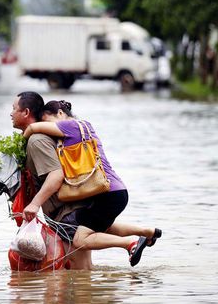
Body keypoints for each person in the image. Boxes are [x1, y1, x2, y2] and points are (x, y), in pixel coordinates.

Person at [22, 99, 161, 269]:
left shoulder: (71, 125)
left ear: (60, 113)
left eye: (47, 122)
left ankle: (130, 243)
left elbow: (32, 128)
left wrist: (22, 140)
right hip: (114, 191)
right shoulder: (82, 129)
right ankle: (148, 232)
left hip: (108, 194)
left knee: (80, 239)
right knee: (103, 227)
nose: (46, 127)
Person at [10, 92, 90, 268]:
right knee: (79, 271)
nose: (11, 113)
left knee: (80, 269)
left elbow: (56, 175)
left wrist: (35, 204)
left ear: (26, 112)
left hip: (66, 213)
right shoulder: (37, 137)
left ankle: (130, 242)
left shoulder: (37, 140)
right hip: (66, 211)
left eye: (14, 109)